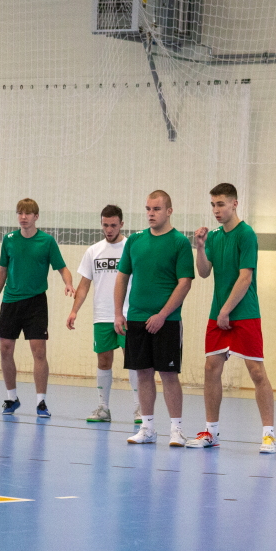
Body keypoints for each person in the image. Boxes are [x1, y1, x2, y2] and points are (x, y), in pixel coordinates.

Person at [190, 183, 276, 453]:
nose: (216, 210)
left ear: (234, 204)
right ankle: (211, 432)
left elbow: (245, 277)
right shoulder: (214, 237)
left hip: (244, 313)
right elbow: (204, 272)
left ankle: (268, 435)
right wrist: (200, 248)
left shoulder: (246, 234)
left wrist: (225, 310)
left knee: (256, 372)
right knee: (211, 369)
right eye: (213, 205)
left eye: (221, 204)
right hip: (219, 314)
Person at [114, 190, 195, 446]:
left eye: (156, 209)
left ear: (169, 211)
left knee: (169, 374)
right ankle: (147, 428)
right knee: (143, 373)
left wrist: (162, 314)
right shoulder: (134, 241)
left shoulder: (180, 242)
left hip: (167, 321)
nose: (151, 213)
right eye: (148, 209)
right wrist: (118, 313)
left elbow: (184, 283)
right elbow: (122, 278)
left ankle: (176, 430)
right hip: (136, 318)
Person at [0, 198, 74, 418]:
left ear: (36, 216)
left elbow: (63, 268)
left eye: (27, 213)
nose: (23, 217)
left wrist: (68, 283)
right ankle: (11, 398)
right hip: (10, 301)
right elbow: (2, 271)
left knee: (38, 351)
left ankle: (41, 402)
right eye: (20, 213)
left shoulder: (46, 241)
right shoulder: (9, 240)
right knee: (5, 348)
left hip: (36, 303)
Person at [66, 204, 142, 423]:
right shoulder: (93, 251)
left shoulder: (131, 247)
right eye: (105, 225)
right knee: (103, 360)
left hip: (128, 315)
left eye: (113, 225)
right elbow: (84, 285)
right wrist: (74, 311)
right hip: (102, 315)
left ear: (121, 224)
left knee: (134, 361)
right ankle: (103, 408)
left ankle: (140, 409)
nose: (109, 230)